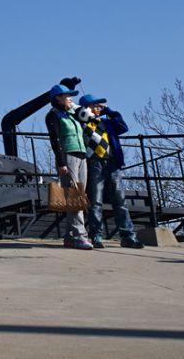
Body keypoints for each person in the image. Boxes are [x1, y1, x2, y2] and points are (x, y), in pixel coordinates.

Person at [77, 94, 145, 249]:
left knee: (120, 201)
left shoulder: (106, 123)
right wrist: (86, 111)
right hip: (94, 163)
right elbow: (78, 118)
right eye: (96, 105)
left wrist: (110, 111)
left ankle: (127, 236)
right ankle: (96, 235)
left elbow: (123, 126)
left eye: (100, 106)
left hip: (112, 163)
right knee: (95, 201)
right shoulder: (83, 123)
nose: (99, 108)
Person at [44, 84, 93, 250]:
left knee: (78, 194)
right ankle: (80, 236)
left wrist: (78, 109)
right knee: (74, 195)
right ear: (58, 97)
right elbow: (55, 139)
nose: (71, 98)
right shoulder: (53, 115)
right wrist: (61, 162)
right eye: (67, 95)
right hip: (68, 154)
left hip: (81, 154)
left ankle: (69, 237)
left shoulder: (73, 114)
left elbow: (90, 122)